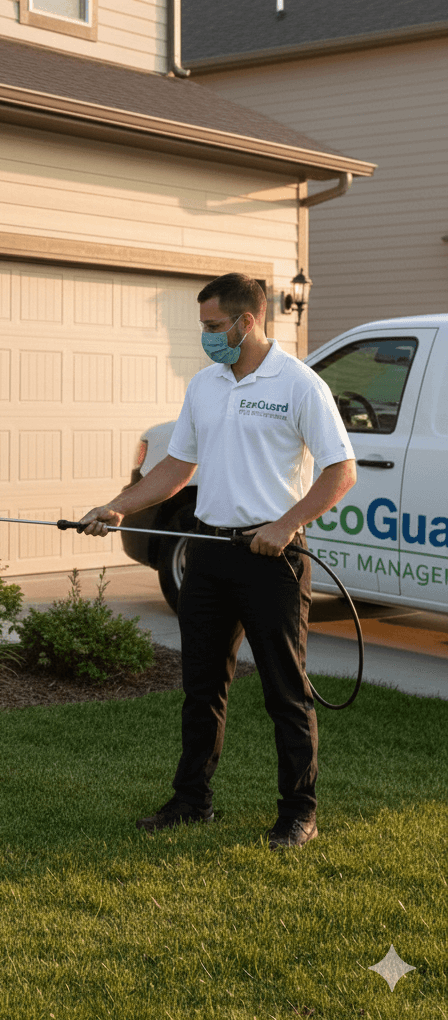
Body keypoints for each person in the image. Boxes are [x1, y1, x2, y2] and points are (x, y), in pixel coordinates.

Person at [79, 273, 356, 849]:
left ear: (246, 322)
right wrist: (117, 506)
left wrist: (284, 526)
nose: (205, 337)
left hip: (271, 558)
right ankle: (191, 801)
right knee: (202, 687)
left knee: (286, 690)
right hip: (208, 554)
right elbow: (176, 467)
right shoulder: (205, 386)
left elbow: (340, 471)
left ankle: (298, 812)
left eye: (212, 327)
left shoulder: (300, 385)